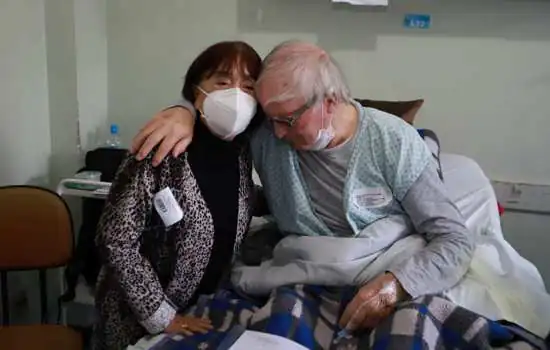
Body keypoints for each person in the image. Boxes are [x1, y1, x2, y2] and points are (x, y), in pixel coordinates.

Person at [131, 40, 475, 333]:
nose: (276, 132)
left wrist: (395, 287)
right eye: (270, 118)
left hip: (384, 269)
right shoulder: (267, 130)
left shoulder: (393, 143)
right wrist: (184, 111)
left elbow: (455, 241)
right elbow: (217, 105)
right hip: (303, 275)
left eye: (288, 120)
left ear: (330, 101)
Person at [91, 41, 266, 349]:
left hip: (200, 313)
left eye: (249, 87)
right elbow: (115, 240)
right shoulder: (161, 149)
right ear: (197, 92)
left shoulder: (241, 154)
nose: (237, 97)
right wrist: (161, 316)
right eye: (223, 82)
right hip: (137, 322)